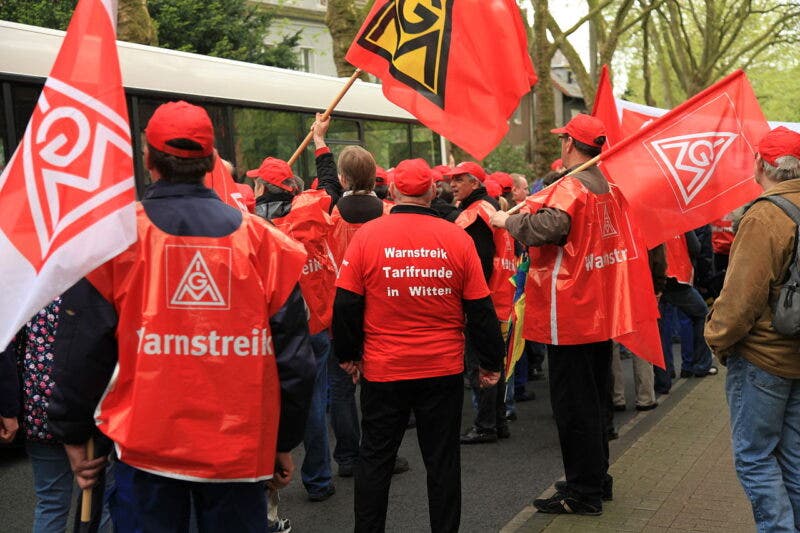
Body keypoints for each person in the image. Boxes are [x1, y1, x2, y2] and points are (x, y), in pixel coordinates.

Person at [46, 101, 316, 532]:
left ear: (148, 159)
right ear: (211, 162)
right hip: (237, 453)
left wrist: (73, 432)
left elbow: (83, 350)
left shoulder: (113, 241)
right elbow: (295, 363)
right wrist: (282, 442)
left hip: (145, 451)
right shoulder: (265, 245)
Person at [491, 113, 655, 515]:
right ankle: (595, 477)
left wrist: (507, 219)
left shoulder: (573, 185)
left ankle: (583, 492)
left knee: (574, 406)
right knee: (595, 401)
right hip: (599, 309)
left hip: (569, 313)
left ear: (568, 143)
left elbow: (550, 226)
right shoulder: (608, 185)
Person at [333, 158, 505, 533]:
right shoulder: (456, 237)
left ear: (392, 192)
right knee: (442, 463)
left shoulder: (368, 236)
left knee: (375, 461)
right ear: (431, 192)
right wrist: (492, 362)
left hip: (384, 369)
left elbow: (345, 304)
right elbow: (480, 309)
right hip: (441, 370)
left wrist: (347, 356)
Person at [705, 126, 800, 532]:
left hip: (763, 356)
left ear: (761, 164)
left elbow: (740, 300)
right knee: (794, 458)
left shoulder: (765, 215)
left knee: (755, 456)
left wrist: (716, 339)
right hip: (796, 356)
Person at [311, 114, 410, 478]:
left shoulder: (330, 211)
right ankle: (381, 452)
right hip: (385, 310)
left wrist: (320, 141)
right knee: (382, 386)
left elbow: (325, 183)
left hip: (341, 309)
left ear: (343, 179)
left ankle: (349, 458)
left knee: (340, 389)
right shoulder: (391, 214)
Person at [246, 156, 337, 503]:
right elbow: (329, 189)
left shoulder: (253, 231)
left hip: (269, 330)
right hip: (314, 325)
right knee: (315, 403)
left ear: (261, 190)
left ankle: (265, 486)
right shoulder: (311, 219)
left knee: (263, 407)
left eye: (256, 182)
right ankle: (318, 479)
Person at [1, 291, 114, 533]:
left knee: (50, 501)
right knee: (100, 502)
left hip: (40, 406)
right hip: (91, 408)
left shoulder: (35, 283)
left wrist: (9, 407)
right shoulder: (97, 283)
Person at [446, 161, 516, 444]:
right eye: (451, 179)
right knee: (494, 362)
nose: (452, 184)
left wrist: (468, 301)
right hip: (501, 297)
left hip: (486, 300)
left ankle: (486, 425)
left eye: (458, 179)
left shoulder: (475, 215)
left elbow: (478, 264)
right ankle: (497, 423)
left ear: (474, 183)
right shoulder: (490, 208)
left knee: (481, 365)